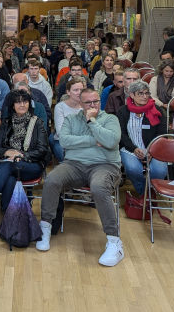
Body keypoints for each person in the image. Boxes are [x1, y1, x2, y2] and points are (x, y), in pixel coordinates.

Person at [36, 88, 124, 267]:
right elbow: (65, 141)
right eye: (89, 103)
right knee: (52, 180)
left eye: (96, 101)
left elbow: (111, 141)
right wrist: (93, 140)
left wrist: (92, 121)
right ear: (80, 104)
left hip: (105, 165)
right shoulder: (71, 119)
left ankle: (114, 242)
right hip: (74, 164)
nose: (93, 105)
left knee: (99, 187)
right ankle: (45, 227)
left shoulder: (110, 119)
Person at [0, 90, 50, 221]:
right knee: (10, 176)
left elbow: (42, 149)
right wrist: (7, 152)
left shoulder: (37, 123)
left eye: (25, 101)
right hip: (11, 166)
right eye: (18, 102)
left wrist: (21, 155)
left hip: (31, 165)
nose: (22, 105)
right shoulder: (7, 123)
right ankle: (8, 214)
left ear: (29, 104)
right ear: (13, 105)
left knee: (8, 166)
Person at [116, 81, 168, 196]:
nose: (145, 96)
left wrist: (151, 151)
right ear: (132, 95)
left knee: (160, 170)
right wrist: (134, 149)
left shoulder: (157, 111)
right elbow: (121, 134)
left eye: (147, 93)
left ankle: (149, 192)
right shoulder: (123, 111)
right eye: (140, 93)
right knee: (133, 169)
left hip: (154, 149)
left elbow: (162, 135)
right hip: (130, 149)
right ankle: (144, 193)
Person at [51, 76, 86, 162]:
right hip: (63, 142)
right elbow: (60, 132)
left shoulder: (87, 106)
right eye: (75, 90)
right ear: (68, 92)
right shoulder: (60, 107)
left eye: (81, 90)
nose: (79, 93)